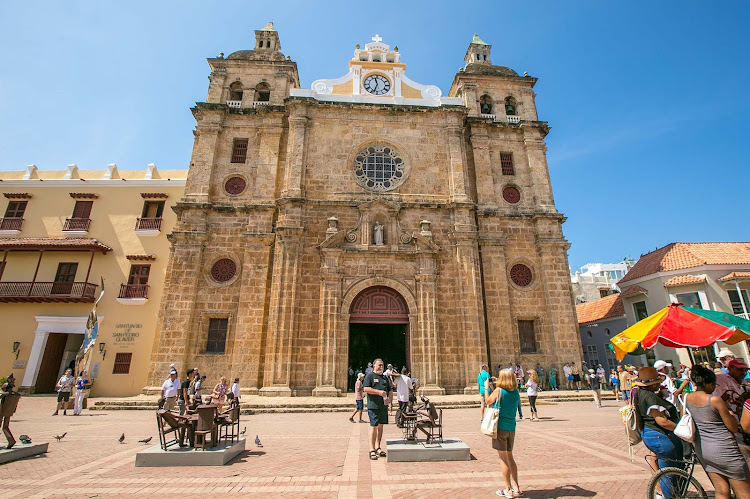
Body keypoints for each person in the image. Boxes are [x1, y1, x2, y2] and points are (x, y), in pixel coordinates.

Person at [686, 364, 750, 499]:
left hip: (704, 449)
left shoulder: (688, 398)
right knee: (744, 492)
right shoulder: (715, 400)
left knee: (721, 491)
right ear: (709, 384)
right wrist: (729, 412)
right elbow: (732, 427)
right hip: (725, 449)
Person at [634, 366, 683, 499]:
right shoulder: (650, 397)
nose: (660, 384)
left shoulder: (640, 393)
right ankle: (668, 496)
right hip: (659, 436)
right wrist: (683, 429)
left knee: (665, 469)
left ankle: (665, 493)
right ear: (653, 383)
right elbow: (662, 421)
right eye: (657, 382)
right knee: (669, 473)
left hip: (650, 433)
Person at [484, 368, 522, 498]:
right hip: (511, 428)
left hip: (500, 428)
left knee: (503, 458)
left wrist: (486, 388)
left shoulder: (499, 391)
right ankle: (516, 487)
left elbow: (488, 401)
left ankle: (508, 489)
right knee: (510, 457)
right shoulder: (516, 393)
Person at [363, 358, 390, 460]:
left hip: (383, 406)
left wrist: (389, 400)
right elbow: (365, 388)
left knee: (380, 426)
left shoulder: (384, 378)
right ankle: (372, 449)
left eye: (382, 365)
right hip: (373, 406)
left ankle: (378, 447)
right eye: (379, 365)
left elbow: (390, 390)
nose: (381, 367)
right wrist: (378, 392)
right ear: (374, 366)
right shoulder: (369, 376)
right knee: (373, 426)